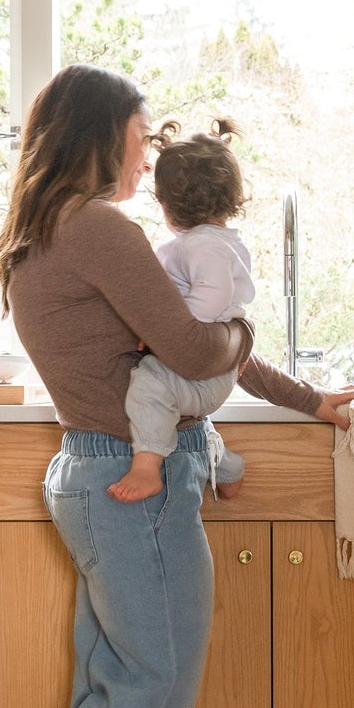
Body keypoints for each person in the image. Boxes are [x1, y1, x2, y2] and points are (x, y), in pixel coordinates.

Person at [0, 63, 354, 708]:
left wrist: (311, 400)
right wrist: (246, 326)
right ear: (101, 134)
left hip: (98, 471)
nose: (148, 157)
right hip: (130, 484)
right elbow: (198, 348)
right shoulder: (99, 227)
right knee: (155, 685)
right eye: (140, 137)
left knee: (117, 682)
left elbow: (177, 349)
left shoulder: (51, 228)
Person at [107, 117, 254, 505]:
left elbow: (211, 299)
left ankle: (146, 467)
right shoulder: (210, 242)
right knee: (180, 414)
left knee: (151, 384)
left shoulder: (201, 245)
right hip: (215, 369)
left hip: (207, 370)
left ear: (167, 204)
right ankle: (225, 466)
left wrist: (162, 333)